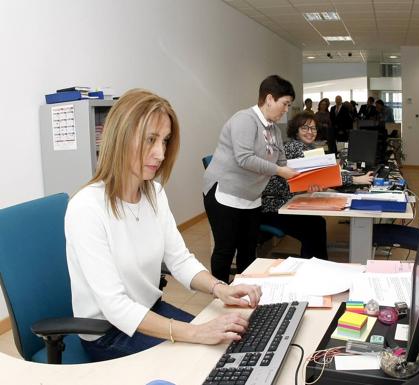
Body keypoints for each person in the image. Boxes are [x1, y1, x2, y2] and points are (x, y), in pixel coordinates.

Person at [65, 89, 262, 362]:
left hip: (150, 312)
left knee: (228, 347)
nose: (160, 153)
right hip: (109, 333)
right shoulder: (86, 207)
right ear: (121, 138)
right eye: (150, 139)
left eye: (165, 141)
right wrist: (196, 333)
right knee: (207, 358)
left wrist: (220, 288)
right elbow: (116, 306)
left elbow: (179, 260)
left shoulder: (154, 193)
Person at [203, 75, 299, 282]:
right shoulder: (244, 119)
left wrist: (305, 178)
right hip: (225, 194)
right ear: (270, 98)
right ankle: (220, 294)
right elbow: (245, 159)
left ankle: (246, 291)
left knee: (248, 250)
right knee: (225, 249)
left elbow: (283, 162)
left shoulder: (274, 130)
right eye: (285, 104)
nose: (286, 110)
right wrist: (280, 171)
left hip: (251, 197)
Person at [261, 113, 373, 258]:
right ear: (296, 130)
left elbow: (320, 176)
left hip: (285, 203)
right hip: (274, 207)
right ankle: (313, 268)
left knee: (316, 224)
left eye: (313, 129)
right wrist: (357, 180)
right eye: (305, 128)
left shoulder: (306, 147)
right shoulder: (294, 148)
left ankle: (315, 264)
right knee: (314, 227)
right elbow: (327, 175)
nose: (310, 132)